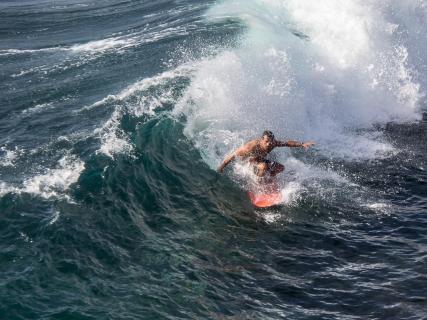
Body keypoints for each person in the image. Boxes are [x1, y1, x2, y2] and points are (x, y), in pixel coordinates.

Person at [218, 130, 314, 178]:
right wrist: (221, 167)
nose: (269, 144)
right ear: (261, 140)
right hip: (248, 162)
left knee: (280, 168)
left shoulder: (273, 143)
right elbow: (233, 155)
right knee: (263, 166)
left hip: (259, 161)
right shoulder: (251, 146)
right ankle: (258, 184)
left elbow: (287, 143)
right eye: (267, 141)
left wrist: (302, 144)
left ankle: (269, 179)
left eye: (271, 141)